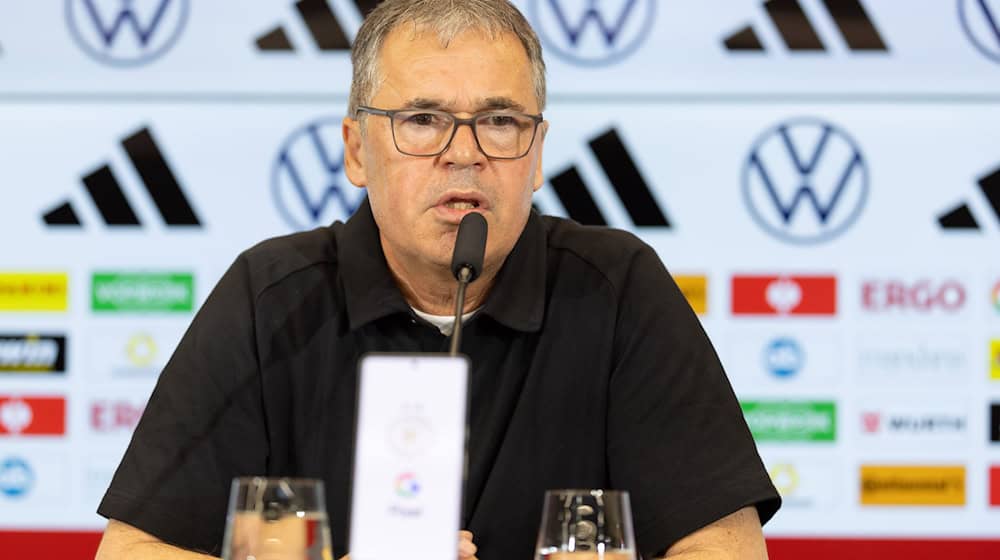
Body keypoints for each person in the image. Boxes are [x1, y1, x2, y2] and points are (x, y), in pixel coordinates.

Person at [95, 1, 780, 558]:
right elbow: (133, 551)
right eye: (423, 121)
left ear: (536, 154)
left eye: (500, 122)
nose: (464, 154)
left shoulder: (616, 288)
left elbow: (725, 547)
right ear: (357, 150)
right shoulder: (270, 297)